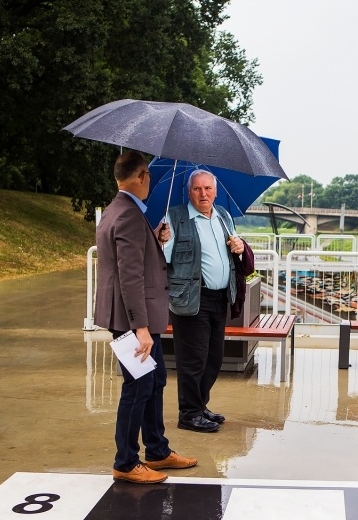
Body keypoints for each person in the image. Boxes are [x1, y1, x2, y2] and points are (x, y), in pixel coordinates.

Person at [95, 150, 198, 484]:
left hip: (134, 318)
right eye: (148, 176)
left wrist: (153, 239)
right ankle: (125, 462)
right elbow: (129, 277)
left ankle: (156, 451)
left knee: (154, 381)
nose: (150, 182)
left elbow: (130, 260)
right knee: (138, 386)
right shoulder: (126, 215)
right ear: (140, 175)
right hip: (131, 321)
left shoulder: (120, 211)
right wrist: (141, 327)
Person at [164, 169, 246, 433]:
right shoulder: (175, 217)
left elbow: (234, 246)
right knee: (193, 360)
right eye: (197, 189)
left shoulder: (222, 215)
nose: (203, 194)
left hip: (219, 297)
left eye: (208, 189)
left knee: (213, 358)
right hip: (191, 298)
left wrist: (240, 246)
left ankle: (200, 406)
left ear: (215, 191)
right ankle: (188, 414)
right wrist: (161, 240)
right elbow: (163, 257)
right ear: (189, 192)